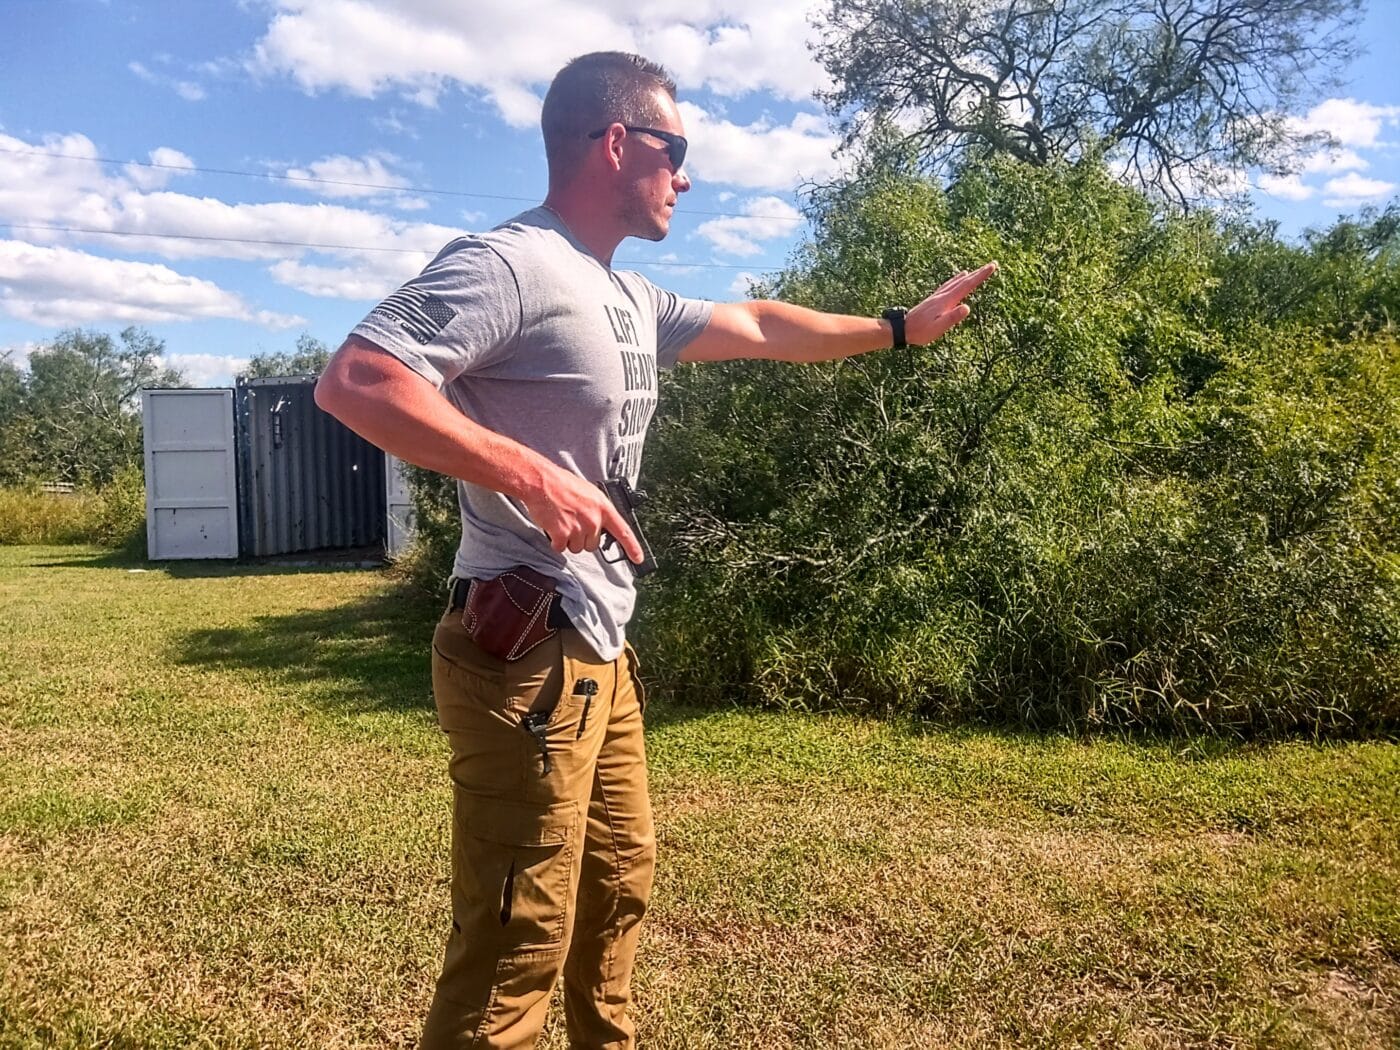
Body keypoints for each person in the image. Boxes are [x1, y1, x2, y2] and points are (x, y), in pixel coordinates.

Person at [315, 50, 996, 1050]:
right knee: (516, 943)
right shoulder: (509, 264)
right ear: (617, 142)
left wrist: (899, 327)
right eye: (675, 149)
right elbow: (358, 380)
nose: (687, 174)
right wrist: (527, 473)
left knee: (617, 889)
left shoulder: (622, 297)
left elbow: (764, 325)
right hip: (524, 654)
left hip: (599, 650)